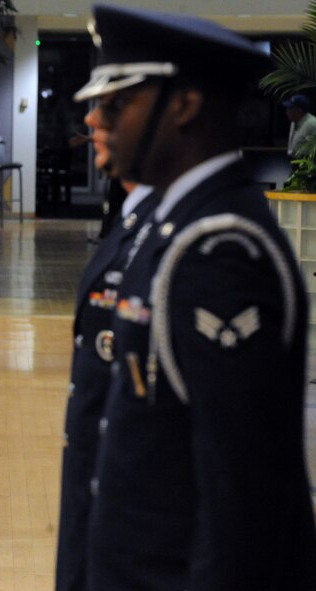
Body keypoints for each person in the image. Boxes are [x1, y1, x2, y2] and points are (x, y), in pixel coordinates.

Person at [71, 5, 316, 589]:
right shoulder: (172, 227)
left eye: (116, 102)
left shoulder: (220, 249)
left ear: (183, 106)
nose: (95, 118)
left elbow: (241, 496)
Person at [55, 103, 155, 591]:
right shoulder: (136, 224)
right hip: (105, 500)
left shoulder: (206, 241)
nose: (92, 122)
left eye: (113, 108)